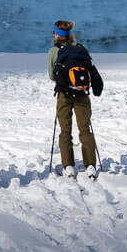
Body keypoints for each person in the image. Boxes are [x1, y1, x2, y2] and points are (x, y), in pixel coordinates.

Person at [47, 19, 102, 179]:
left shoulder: (53, 52)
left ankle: (68, 165)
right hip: (82, 94)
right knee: (85, 129)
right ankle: (90, 165)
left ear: (56, 35)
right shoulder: (80, 49)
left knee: (65, 130)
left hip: (64, 94)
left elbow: (52, 76)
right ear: (70, 34)